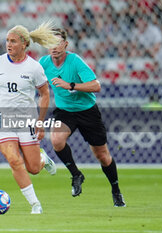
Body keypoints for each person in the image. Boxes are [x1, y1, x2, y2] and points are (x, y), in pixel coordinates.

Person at [0, 22, 59, 214]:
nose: (8, 44)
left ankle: (42, 159)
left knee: (34, 168)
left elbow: (45, 94)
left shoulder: (34, 68)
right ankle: (35, 204)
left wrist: (40, 121)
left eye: (13, 41)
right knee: (13, 159)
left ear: (24, 44)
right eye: (7, 41)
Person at [39, 28, 126, 207]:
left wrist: (70, 85)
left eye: (57, 43)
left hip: (87, 111)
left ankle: (116, 190)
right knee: (56, 140)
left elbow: (96, 86)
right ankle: (76, 174)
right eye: (50, 44)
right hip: (65, 111)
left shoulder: (75, 61)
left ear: (65, 44)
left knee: (102, 155)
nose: (54, 47)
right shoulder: (43, 63)